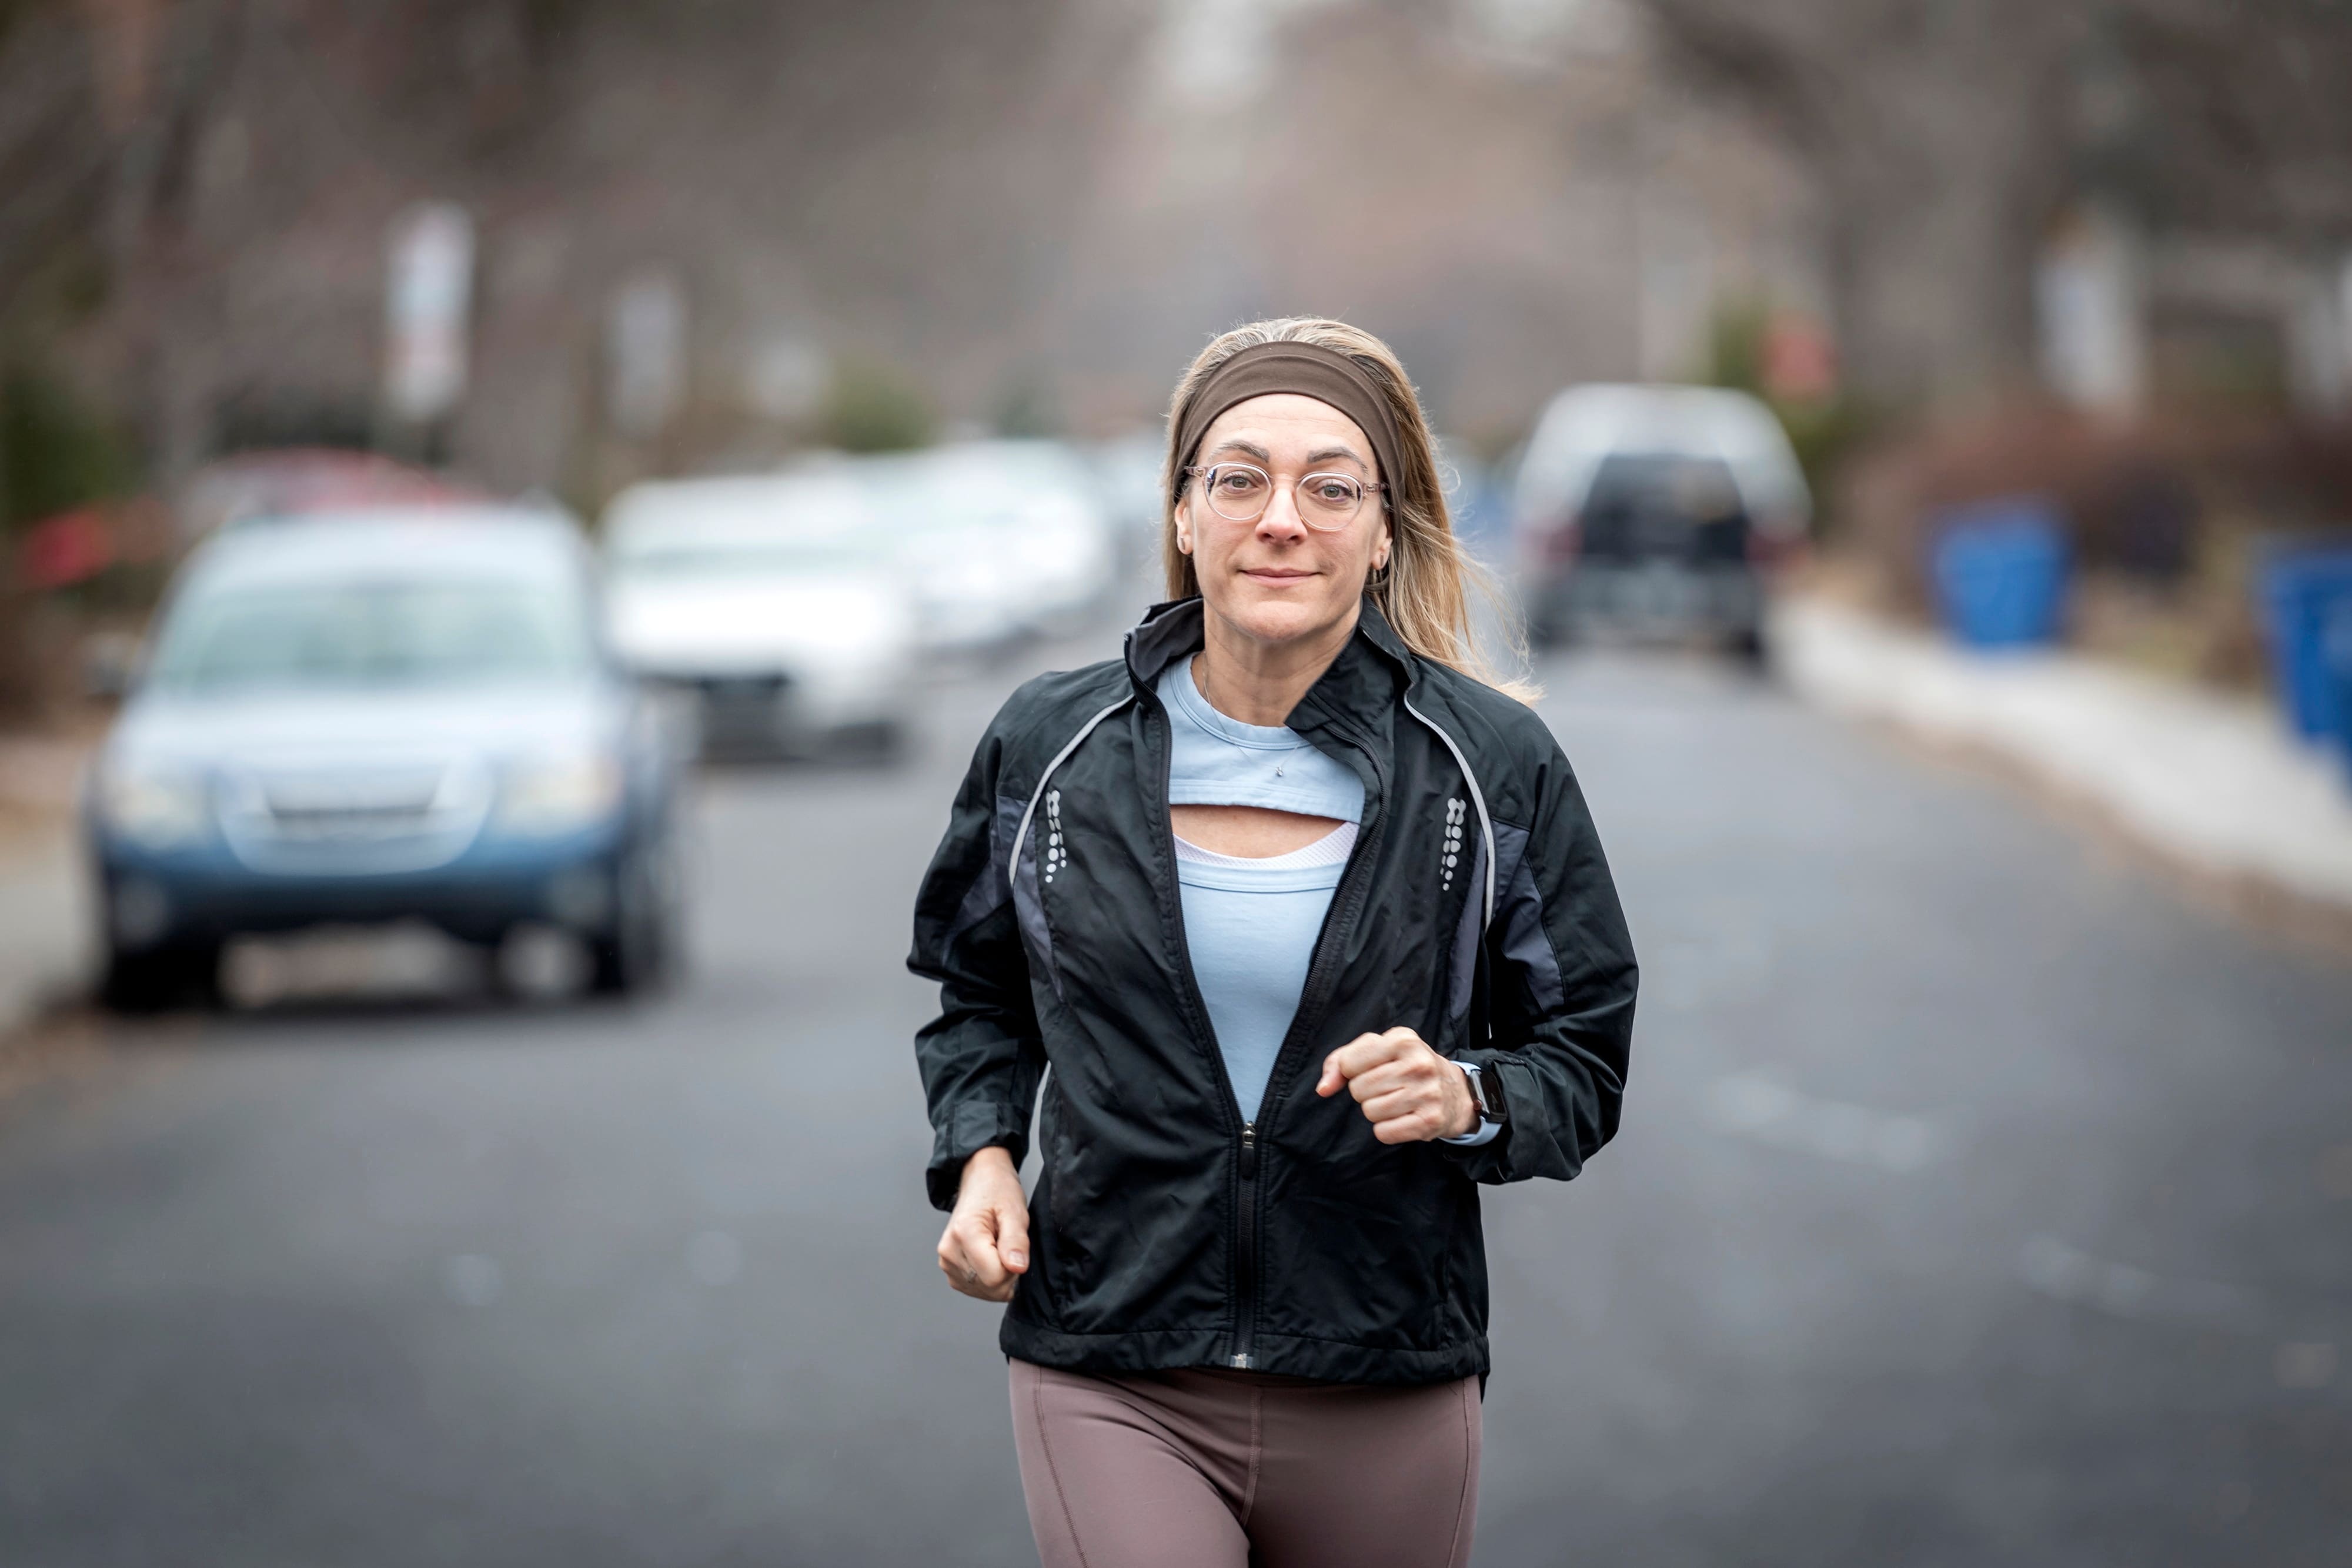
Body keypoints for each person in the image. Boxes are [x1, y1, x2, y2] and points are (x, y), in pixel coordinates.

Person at [908, 317, 1638, 1568]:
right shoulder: (1049, 745)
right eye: (1238, 478)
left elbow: (1582, 1053)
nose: (1282, 519)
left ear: (1384, 528)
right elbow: (980, 992)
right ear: (1183, 512)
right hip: (1111, 1358)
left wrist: (1466, 1095)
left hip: (1382, 1371)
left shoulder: (1489, 766)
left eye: (1331, 486)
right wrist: (981, 1160)